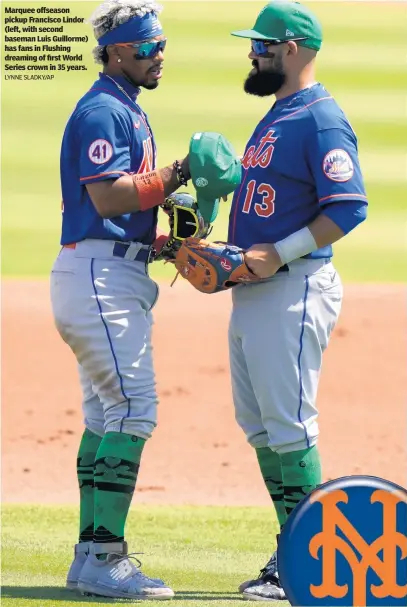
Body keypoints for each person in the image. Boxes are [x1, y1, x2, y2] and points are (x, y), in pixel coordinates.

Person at [50, 0, 192, 600]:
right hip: (98, 280)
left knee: (107, 416)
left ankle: (89, 559)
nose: (159, 55)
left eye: (161, 44)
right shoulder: (104, 110)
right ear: (115, 52)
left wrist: (161, 242)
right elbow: (109, 199)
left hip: (107, 273)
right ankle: (107, 558)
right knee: (134, 411)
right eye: (147, 47)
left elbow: (117, 215)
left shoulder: (125, 107)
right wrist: (184, 171)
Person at [227, 1, 368, 601]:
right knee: (260, 427)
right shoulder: (281, 112)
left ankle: (307, 566)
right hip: (257, 291)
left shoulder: (320, 119)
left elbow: (348, 206)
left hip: (294, 285)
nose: (252, 52)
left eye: (261, 44)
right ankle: (292, 548)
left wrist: (277, 252)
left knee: (288, 426)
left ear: (291, 49)